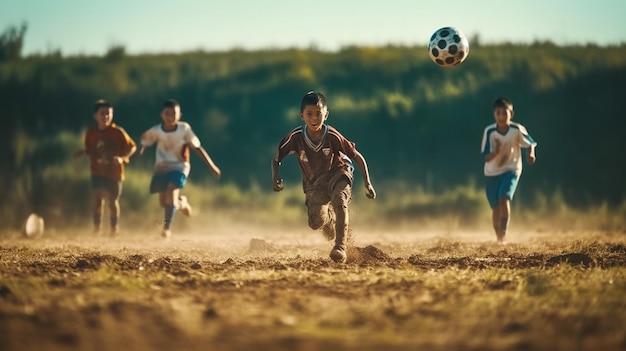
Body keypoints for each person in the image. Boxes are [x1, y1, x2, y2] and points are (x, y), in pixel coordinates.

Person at [272, 91, 376, 263]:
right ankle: (329, 220)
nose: (314, 118)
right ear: (302, 116)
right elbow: (276, 160)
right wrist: (275, 176)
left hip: (338, 172)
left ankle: (340, 247)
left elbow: (357, 156)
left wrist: (368, 183)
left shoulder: (332, 136)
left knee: (339, 200)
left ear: (326, 114)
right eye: (309, 114)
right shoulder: (295, 137)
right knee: (315, 222)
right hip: (314, 183)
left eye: (318, 113)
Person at [139, 99, 221, 238]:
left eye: (174, 114)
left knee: (171, 190)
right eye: (167, 113)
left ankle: (166, 229)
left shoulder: (184, 129)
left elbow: (197, 148)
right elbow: (144, 140)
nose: (170, 117)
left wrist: (212, 166)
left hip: (180, 166)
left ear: (179, 115)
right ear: (162, 115)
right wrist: (141, 150)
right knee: (164, 202)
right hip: (161, 168)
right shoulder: (156, 131)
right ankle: (182, 204)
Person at [75, 99, 137, 236]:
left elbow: (132, 147)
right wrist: (83, 152)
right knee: (98, 196)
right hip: (97, 170)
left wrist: (121, 158)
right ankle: (97, 227)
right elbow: (90, 149)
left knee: (112, 201)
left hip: (115, 173)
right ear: (95, 116)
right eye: (102, 113)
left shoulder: (118, 132)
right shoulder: (91, 133)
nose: (106, 117)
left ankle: (114, 228)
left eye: (108, 113)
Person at [481, 97, 537, 243]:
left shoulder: (517, 129)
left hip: (511, 169)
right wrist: (496, 152)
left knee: (504, 197)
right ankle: (498, 236)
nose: (501, 117)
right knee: (495, 208)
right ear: (494, 114)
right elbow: (486, 157)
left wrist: (530, 154)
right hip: (492, 172)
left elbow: (530, 143)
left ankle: (503, 236)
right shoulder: (490, 131)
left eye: (504, 113)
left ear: (511, 114)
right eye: (498, 113)